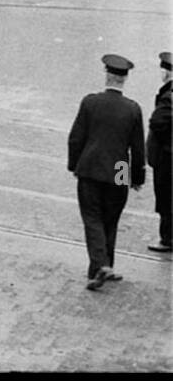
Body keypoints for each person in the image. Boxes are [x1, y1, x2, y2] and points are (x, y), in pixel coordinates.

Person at [68, 54, 146, 289]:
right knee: (111, 218)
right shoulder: (133, 108)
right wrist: (136, 178)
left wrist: (75, 165)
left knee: (92, 218)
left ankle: (100, 266)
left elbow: (76, 138)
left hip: (90, 167)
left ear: (107, 75)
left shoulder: (90, 102)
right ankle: (102, 269)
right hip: (119, 169)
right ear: (124, 80)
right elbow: (138, 149)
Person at [147, 51, 172, 253]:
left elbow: (157, 122)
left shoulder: (168, 96)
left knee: (165, 198)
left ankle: (167, 239)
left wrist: (165, 144)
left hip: (167, 158)